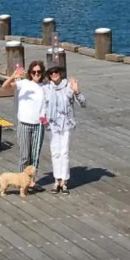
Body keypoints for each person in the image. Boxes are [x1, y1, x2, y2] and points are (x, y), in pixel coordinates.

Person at [42, 63, 84, 193]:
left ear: (61, 73)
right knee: (55, 153)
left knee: (64, 153)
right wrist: (43, 119)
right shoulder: (46, 88)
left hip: (67, 124)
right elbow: (41, 106)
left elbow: (83, 103)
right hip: (52, 125)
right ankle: (56, 180)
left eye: (57, 72)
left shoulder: (68, 86)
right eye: (51, 72)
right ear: (49, 75)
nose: (54, 74)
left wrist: (77, 91)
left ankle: (64, 182)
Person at [4, 60, 48, 178]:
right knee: (24, 155)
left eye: (39, 72)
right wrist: (13, 76)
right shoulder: (24, 83)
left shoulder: (45, 87)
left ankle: (32, 182)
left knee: (35, 156)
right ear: (30, 73)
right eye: (34, 72)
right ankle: (21, 180)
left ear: (42, 73)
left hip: (38, 125)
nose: (36, 74)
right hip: (24, 124)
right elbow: (5, 86)